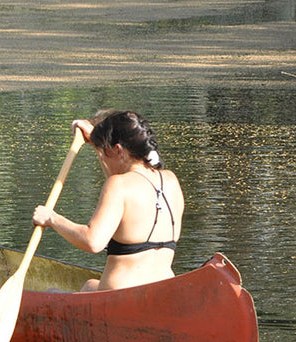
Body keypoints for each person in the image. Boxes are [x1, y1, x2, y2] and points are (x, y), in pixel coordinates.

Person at [32, 111, 184, 292]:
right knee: (89, 286)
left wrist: (51, 219)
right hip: (164, 291)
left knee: (51, 292)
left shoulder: (118, 185)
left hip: (120, 296)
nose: (103, 159)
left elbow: (93, 241)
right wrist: (97, 143)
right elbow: (121, 176)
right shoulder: (170, 180)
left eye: (105, 152)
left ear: (118, 150)